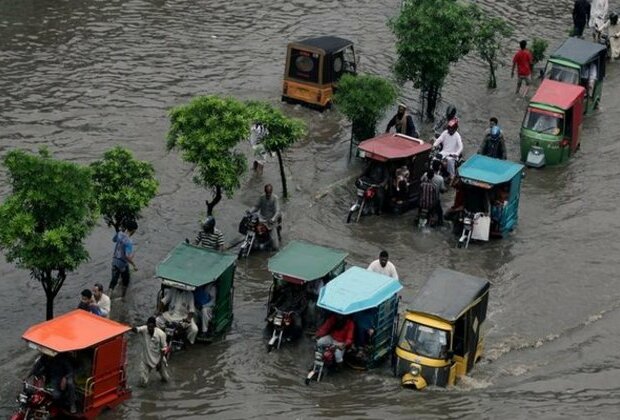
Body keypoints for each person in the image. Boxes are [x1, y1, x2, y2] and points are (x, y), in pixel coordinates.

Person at [132, 317, 169, 387]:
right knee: (143, 381)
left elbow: (164, 349)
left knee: (165, 379)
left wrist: (160, 362)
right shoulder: (144, 329)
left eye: (152, 327)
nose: (150, 329)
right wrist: (128, 327)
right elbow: (136, 329)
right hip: (146, 359)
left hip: (158, 358)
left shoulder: (161, 334)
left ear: (155, 326)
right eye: (149, 327)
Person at [108, 219, 138, 298]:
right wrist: (134, 265)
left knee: (113, 282)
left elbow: (113, 240)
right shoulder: (129, 242)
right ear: (133, 230)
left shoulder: (119, 234)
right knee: (126, 282)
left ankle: (108, 299)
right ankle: (123, 298)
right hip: (122, 264)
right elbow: (127, 256)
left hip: (114, 261)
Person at [249, 184, 281, 251]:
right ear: (265, 191)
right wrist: (250, 211)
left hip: (270, 222)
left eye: (269, 193)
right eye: (267, 193)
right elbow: (256, 206)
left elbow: (277, 211)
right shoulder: (262, 197)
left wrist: (273, 219)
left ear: (271, 192)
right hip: (262, 219)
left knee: (276, 247)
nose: (268, 195)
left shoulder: (275, 198)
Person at [421, 160, 447, 225]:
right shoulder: (440, 179)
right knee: (440, 213)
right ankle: (440, 223)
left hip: (423, 200)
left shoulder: (425, 175)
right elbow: (442, 190)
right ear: (439, 167)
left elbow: (421, 181)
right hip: (434, 201)